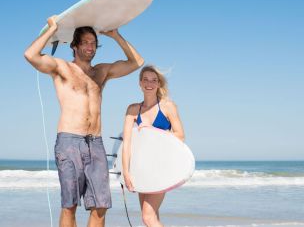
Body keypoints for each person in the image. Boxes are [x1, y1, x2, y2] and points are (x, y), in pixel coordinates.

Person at [24, 16, 144, 227]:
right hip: (69, 141)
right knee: (69, 205)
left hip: (95, 143)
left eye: (94, 43)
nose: (91, 47)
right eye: (86, 42)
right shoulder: (62, 68)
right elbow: (30, 55)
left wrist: (116, 36)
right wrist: (51, 30)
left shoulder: (101, 71)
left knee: (101, 205)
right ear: (74, 45)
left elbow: (137, 62)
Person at [122, 65, 185, 227]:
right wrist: (126, 173)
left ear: (158, 84)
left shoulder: (167, 106)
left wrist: (152, 131)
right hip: (142, 168)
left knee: (147, 217)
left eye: (154, 80)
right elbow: (127, 143)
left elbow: (180, 136)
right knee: (153, 218)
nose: (149, 83)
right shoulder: (133, 109)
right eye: (146, 80)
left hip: (162, 167)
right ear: (140, 83)